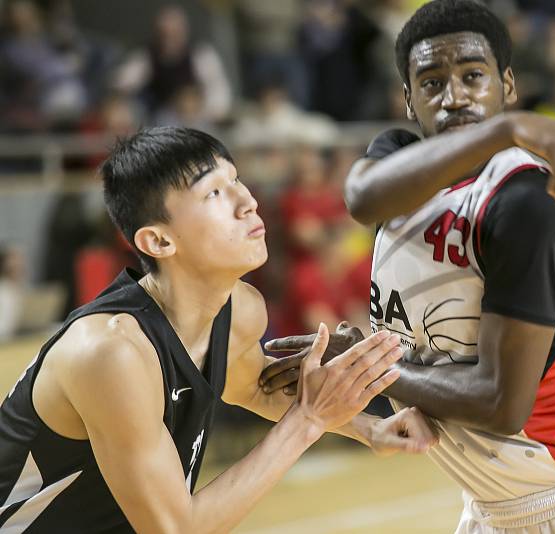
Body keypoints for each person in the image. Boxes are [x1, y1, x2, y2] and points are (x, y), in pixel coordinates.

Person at [262, 1, 555, 532]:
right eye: (431, 82)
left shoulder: (527, 200)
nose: (454, 96)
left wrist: (366, 366)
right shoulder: (393, 166)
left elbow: (501, 402)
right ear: (408, 101)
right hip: (487, 511)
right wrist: (501, 130)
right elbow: (361, 198)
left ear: (507, 85)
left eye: (473, 76)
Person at [0, 127, 437, 532]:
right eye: (213, 192)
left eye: (236, 180)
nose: (246, 201)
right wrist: (309, 419)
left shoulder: (241, 309)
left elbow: (257, 389)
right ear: (159, 242)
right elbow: (175, 528)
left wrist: (368, 428)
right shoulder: (111, 352)